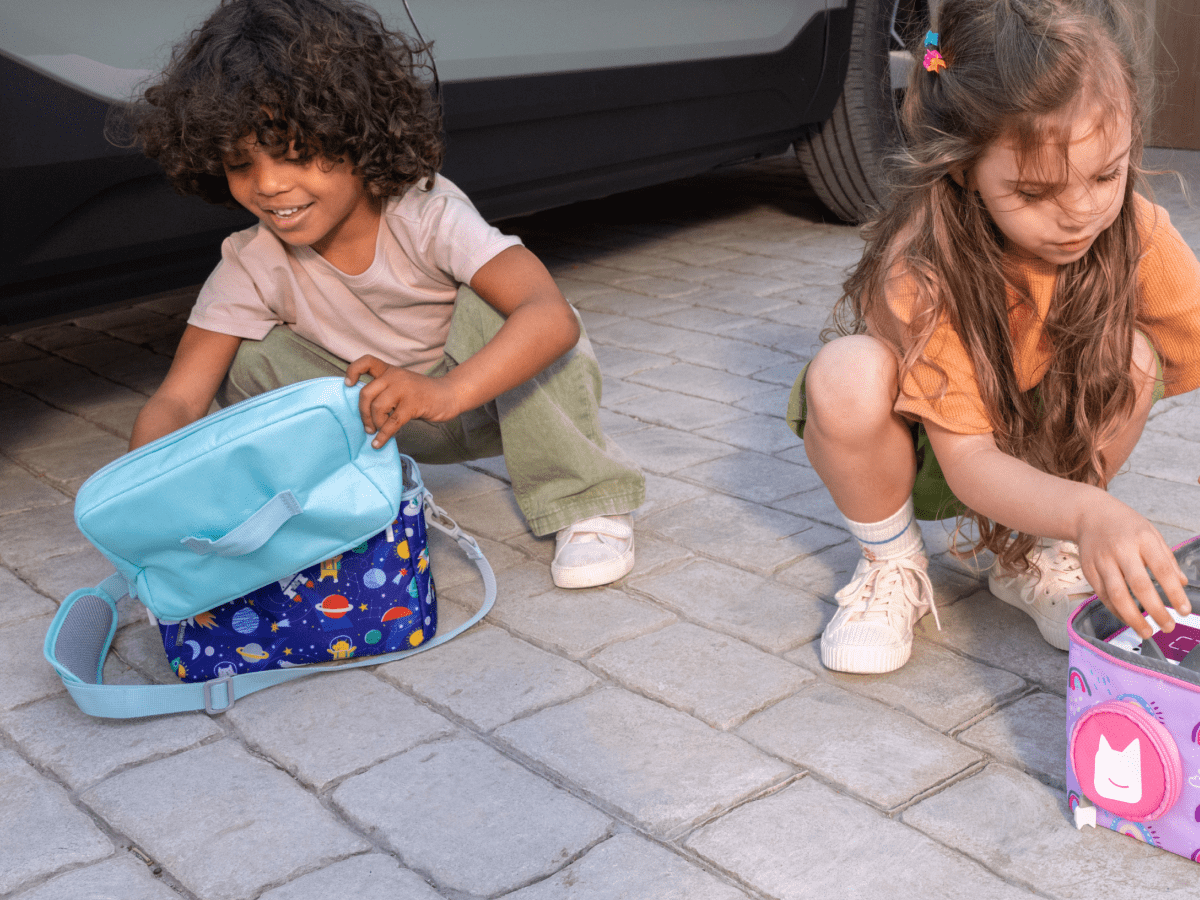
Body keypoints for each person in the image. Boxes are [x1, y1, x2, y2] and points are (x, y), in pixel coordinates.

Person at [126, 0, 644, 589]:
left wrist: (447, 391)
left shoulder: (425, 212)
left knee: (511, 308)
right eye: (241, 164)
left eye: (296, 153)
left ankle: (586, 499)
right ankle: (337, 508)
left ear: (356, 133)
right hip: (383, 425)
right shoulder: (251, 261)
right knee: (244, 358)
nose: (268, 184)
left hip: (491, 399)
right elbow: (178, 400)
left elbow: (552, 318)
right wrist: (144, 511)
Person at [787, 0, 1200, 674]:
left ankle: (1034, 551)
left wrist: (1078, 510)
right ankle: (891, 565)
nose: (1082, 213)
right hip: (931, 455)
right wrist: (1091, 512)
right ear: (961, 166)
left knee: (1134, 357)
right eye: (1035, 193)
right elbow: (969, 460)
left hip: (1042, 450)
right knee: (846, 374)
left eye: (1106, 174)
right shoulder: (924, 267)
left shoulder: (1135, 231)